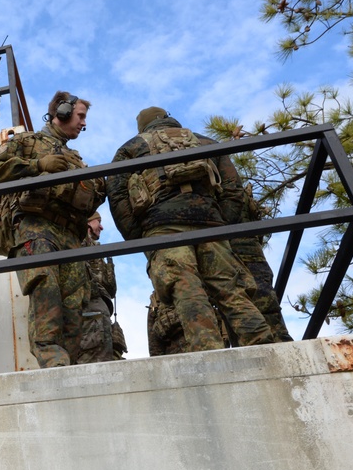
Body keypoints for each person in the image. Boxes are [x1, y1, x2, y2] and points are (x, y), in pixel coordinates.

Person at [106, 107, 274, 352]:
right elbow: (232, 188)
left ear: (143, 126)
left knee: (186, 290)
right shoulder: (205, 141)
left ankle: (209, 352)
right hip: (210, 225)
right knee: (231, 290)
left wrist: (139, 234)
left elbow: (117, 195)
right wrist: (221, 222)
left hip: (163, 227)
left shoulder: (131, 148)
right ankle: (264, 346)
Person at [0, 91, 106, 367]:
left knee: (76, 300)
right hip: (36, 227)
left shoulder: (76, 157)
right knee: (46, 289)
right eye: (80, 116)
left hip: (71, 235)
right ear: (61, 112)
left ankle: (68, 362)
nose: (83, 124)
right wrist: (37, 165)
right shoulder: (28, 142)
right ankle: (53, 361)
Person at [229, 184, 294, 344]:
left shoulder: (232, 192)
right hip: (236, 253)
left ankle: (280, 346)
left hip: (246, 253)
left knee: (264, 303)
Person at [78, 211, 127, 362]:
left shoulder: (95, 249)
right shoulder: (78, 241)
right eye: (97, 221)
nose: (101, 226)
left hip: (102, 311)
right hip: (90, 308)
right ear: (87, 223)